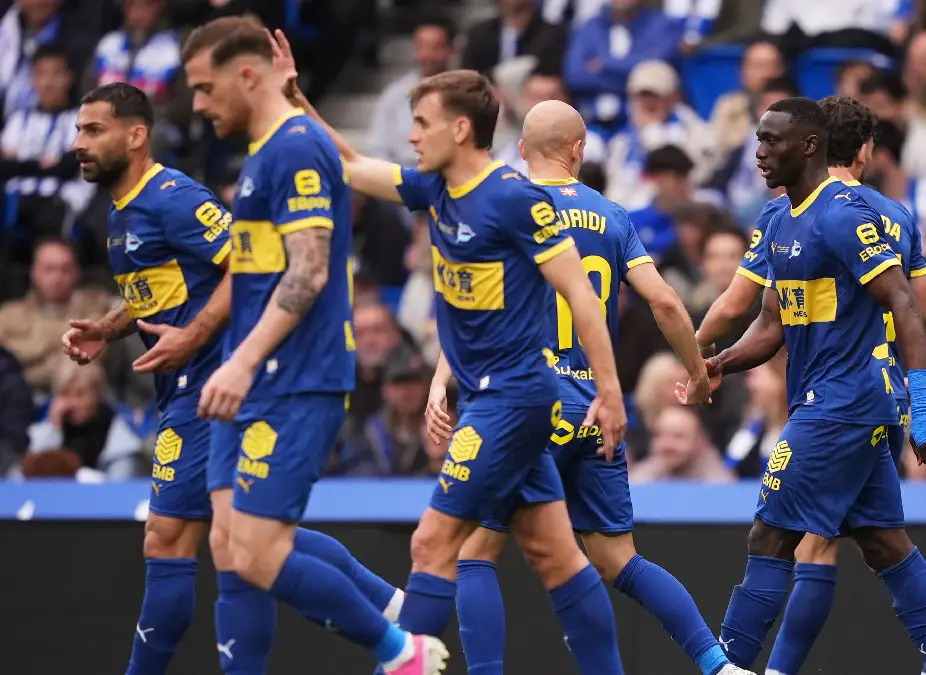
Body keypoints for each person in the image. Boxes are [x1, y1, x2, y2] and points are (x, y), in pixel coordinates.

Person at [269, 31, 628, 673]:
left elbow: (579, 292)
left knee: (433, 540)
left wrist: (609, 392)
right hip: (493, 398)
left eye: (421, 123)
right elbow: (349, 164)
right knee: (554, 556)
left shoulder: (515, 199)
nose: (410, 136)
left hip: (512, 402)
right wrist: (293, 98)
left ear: (461, 129)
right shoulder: (435, 189)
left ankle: (403, 664)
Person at [65, 80, 417, 675]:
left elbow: (247, 269)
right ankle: (391, 607)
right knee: (246, 536)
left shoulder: (174, 197)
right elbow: (168, 290)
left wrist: (197, 338)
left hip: (216, 386)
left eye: (92, 130)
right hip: (186, 388)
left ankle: (395, 639)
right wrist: (111, 325)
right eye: (78, 130)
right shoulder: (122, 210)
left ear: (136, 134)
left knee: (175, 539)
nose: (79, 143)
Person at [440, 99, 751, 675]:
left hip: (524, 406)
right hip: (593, 409)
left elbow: (470, 304)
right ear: (578, 149)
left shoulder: (502, 207)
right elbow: (662, 301)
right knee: (616, 559)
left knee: (474, 549)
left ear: (520, 151)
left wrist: (443, 380)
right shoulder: (612, 216)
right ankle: (717, 664)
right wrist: (699, 371)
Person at [178, 22, 446, 675]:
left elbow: (309, 271)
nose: (195, 105)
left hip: (293, 377)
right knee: (231, 541)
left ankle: (400, 652)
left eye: (204, 88)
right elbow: (341, 175)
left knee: (259, 550)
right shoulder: (271, 146)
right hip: (250, 374)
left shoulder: (293, 151)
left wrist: (239, 362)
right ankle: (387, 602)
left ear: (246, 76)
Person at [686, 97, 926, 675]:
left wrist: (923, 410)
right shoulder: (779, 218)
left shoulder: (845, 214)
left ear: (811, 145)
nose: (760, 153)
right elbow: (772, 322)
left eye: (773, 142)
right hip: (840, 403)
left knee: (770, 535)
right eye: (759, 141)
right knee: (883, 541)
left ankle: (730, 666)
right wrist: (722, 361)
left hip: (841, 403)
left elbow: (906, 307)